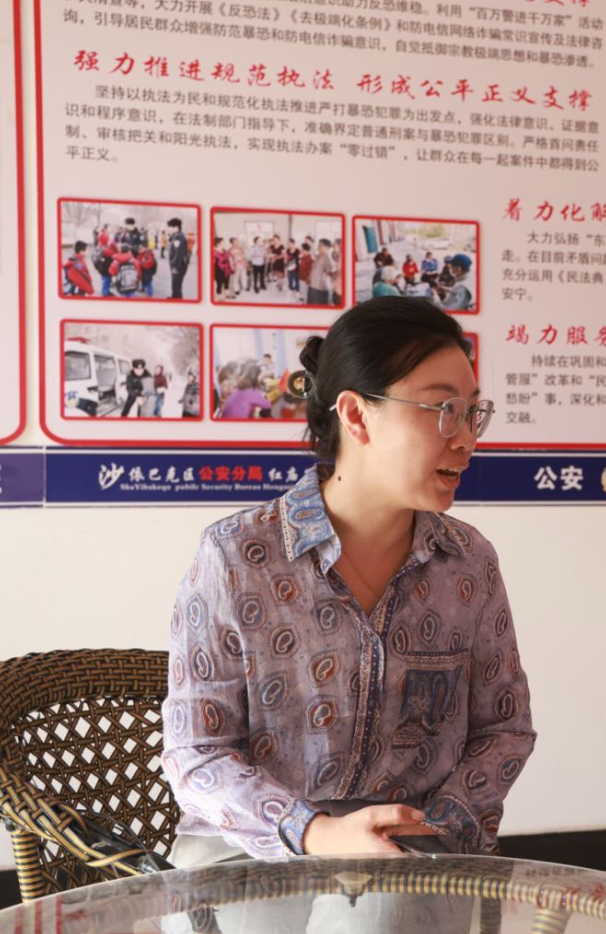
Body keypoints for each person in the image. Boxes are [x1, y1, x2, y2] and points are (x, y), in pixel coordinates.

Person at [161, 297, 532, 934]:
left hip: (411, 847)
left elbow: (505, 729)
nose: (467, 438)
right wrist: (316, 831)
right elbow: (196, 751)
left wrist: (436, 824)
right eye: (443, 409)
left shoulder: (469, 564)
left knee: (381, 910)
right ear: (356, 414)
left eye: (473, 412)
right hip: (248, 848)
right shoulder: (237, 557)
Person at [307, 238, 338, 306]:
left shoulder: (328, 258)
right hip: (313, 286)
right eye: (318, 244)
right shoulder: (318, 256)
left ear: (327, 247)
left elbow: (333, 273)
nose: (318, 246)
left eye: (320, 245)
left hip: (321, 289)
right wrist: (310, 277)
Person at [166, 217, 190, 300]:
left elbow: (178, 254)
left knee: (176, 284)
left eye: (170, 227)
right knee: (176, 284)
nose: (169, 229)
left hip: (178, 266)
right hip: (179, 265)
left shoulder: (178, 237)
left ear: (176, 227)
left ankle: (176, 299)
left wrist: (175, 267)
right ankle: (175, 297)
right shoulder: (177, 236)